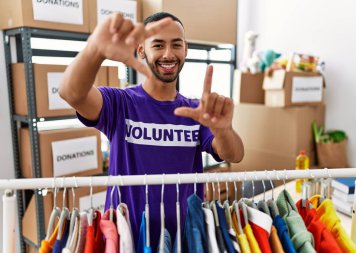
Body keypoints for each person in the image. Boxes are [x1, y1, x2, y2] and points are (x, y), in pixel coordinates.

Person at [59, 12, 244, 250]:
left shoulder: (197, 111)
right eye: (158, 45)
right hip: (128, 238)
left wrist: (224, 130)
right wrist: (95, 49)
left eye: (176, 44)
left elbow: (234, 154)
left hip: (184, 240)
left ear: (185, 49)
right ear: (141, 50)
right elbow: (70, 93)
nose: (168, 54)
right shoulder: (120, 103)